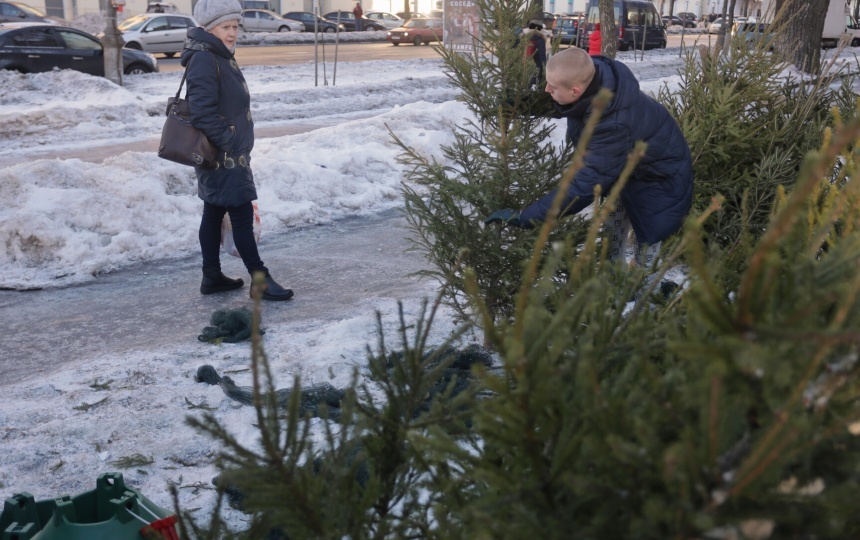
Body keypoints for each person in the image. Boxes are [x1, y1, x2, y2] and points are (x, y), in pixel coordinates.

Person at [485, 47, 693, 269]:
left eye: (551, 87)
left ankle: (645, 294)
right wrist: (522, 103)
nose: (546, 90)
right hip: (628, 169)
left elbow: (583, 185)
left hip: (659, 181)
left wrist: (527, 217)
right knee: (614, 228)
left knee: (648, 242)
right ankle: (614, 279)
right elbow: (567, 104)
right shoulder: (593, 79)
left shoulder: (613, 125)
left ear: (575, 91)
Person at [182, 0, 294, 301]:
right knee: (241, 216)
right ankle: (260, 280)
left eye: (235, 26)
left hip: (220, 153)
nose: (232, 33)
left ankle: (211, 276)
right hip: (224, 155)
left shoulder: (216, 54)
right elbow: (203, 113)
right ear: (209, 28)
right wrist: (231, 143)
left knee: (214, 210)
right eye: (225, 27)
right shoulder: (206, 59)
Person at [525, 21, 547, 87]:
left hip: (526, 64)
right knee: (538, 80)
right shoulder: (540, 40)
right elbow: (542, 55)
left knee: (528, 81)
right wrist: (545, 67)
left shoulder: (526, 38)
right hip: (537, 65)